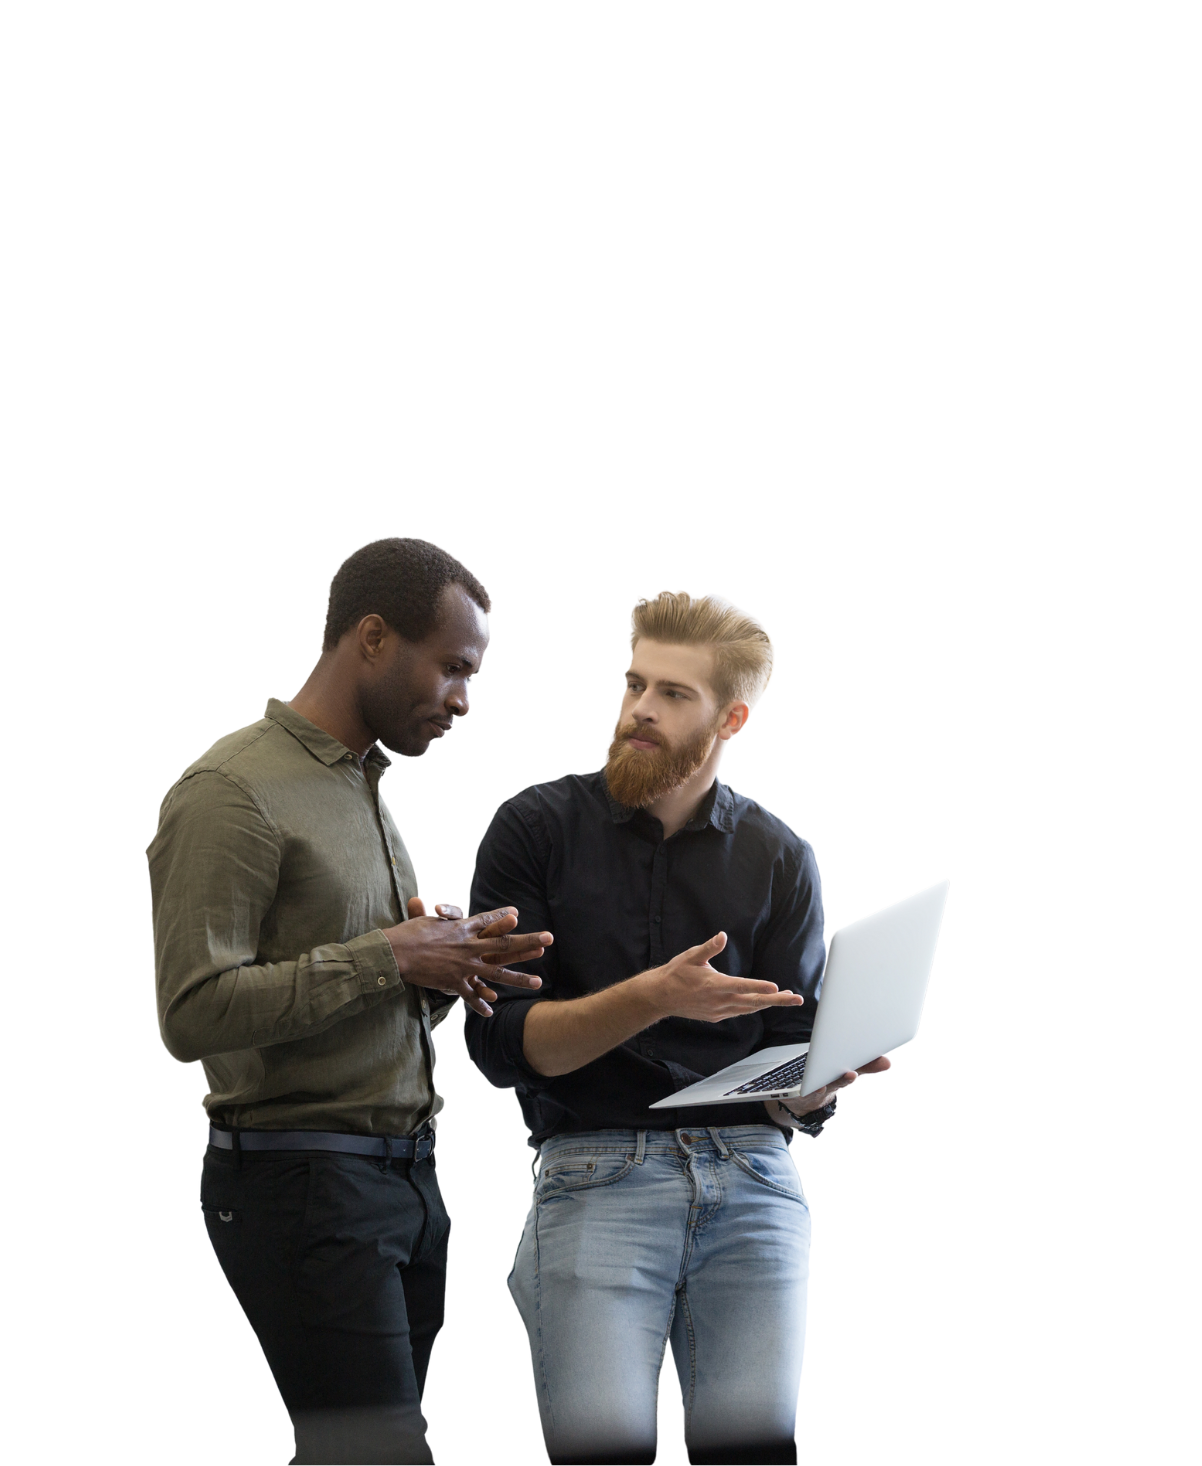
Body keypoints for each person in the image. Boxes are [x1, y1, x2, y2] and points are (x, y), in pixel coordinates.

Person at [460, 585, 891, 1465]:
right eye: (634, 684)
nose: (640, 710)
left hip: (754, 1176)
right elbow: (500, 1048)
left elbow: (789, 1061)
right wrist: (653, 996)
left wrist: (814, 1087)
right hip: (597, 1172)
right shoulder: (533, 827)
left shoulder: (782, 857)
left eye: (672, 693)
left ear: (731, 719)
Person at [146, 536, 552, 1466]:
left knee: (364, 1451)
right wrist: (388, 956)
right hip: (303, 1184)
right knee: (376, 1453)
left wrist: (447, 966)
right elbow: (192, 1014)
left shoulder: (366, 792)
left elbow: (364, 987)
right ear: (373, 638)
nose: (464, 699)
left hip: (404, 1183)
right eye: (452, 667)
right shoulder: (230, 793)